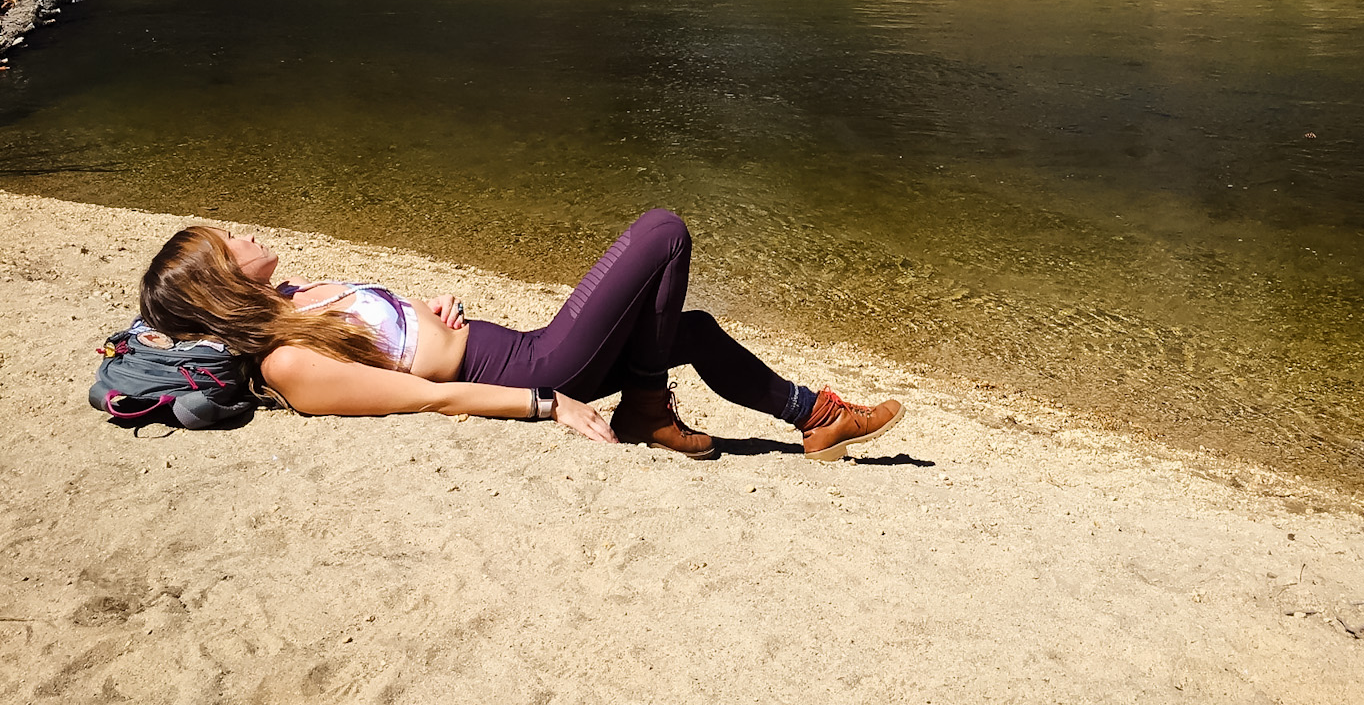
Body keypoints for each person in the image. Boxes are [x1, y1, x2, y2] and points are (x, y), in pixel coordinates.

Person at [137, 209, 905, 463]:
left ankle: (815, 418)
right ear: (222, 280)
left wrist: (424, 307)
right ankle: (645, 404)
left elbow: (400, 337)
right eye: (227, 243)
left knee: (693, 328)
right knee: (663, 230)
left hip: (526, 345)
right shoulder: (292, 363)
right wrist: (549, 403)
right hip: (538, 363)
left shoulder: (297, 299)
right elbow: (424, 399)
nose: (241, 236)